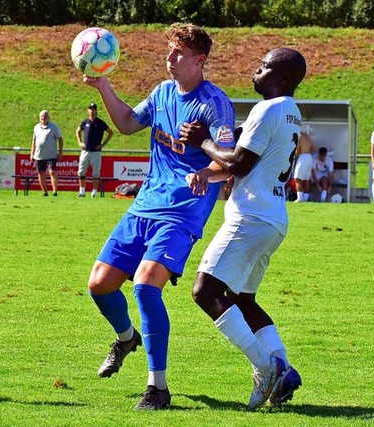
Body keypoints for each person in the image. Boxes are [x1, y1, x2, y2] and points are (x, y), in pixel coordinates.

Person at [81, 23, 235, 410]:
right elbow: (129, 124)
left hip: (183, 211)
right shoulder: (163, 92)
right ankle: (126, 337)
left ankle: (157, 387)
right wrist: (103, 86)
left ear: (199, 60)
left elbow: (232, 163)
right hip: (145, 204)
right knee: (99, 284)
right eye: (169, 51)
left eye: (178, 53)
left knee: (147, 284)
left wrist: (205, 172)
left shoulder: (215, 103)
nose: (169, 58)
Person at [179, 47, 307, 410]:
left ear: (281, 78)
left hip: (249, 217)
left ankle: (267, 368)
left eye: (264, 66)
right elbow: (247, 156)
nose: (256, 69)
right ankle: (283, 366)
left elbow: (238, 164)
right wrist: (208, 167)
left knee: (205, 290)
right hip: (273, 219)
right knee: (242, 299)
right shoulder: (291, 112)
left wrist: (202, 141)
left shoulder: (266, 109)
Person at [76, 102, 114, 198]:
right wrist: (80, 142)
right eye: (90, 109)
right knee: (81, 171)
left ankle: (94, 192)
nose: (91, 111)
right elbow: (78, 131)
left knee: (96, 173)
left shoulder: (100, 123)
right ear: (88, 110)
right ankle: (82, 191)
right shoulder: (85, 122)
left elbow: (110, 132)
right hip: (85, 151)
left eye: (93, 109)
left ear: (96, 110)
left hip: (96, 152)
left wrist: (103, 144)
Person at [30, 110, 63, 197]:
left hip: (51, 155)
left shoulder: (54, 127)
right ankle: (44, 192)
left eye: (45, 116)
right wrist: (31, 153)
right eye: (42, 116)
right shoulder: (36, 127)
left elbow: (60, 139)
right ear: (39, 118)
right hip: (39, 156)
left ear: (48, 117)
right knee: (41, 173)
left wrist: (60, 152)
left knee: (52, 172)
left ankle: (55, 192)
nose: (43, 118)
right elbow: (34, 141)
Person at [292, 131, 314, 202]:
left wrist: (294, 156)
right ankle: (305, 198)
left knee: (297, 179)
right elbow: (312, 148)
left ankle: (300, 198)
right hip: (309, 157)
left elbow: (298, 149)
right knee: (307, 179)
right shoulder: (307, 136)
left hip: (303, 157)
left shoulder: (299, 135)